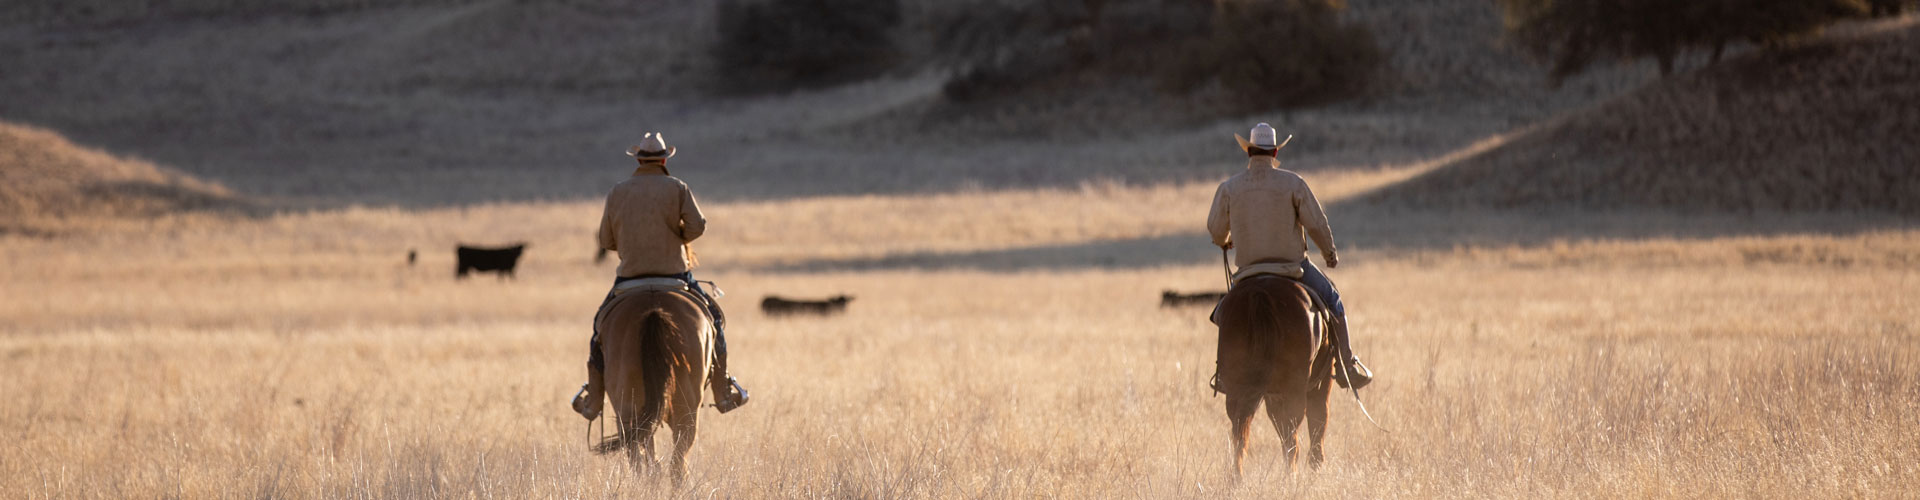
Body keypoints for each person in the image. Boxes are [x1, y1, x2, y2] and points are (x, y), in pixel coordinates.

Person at [572, 132, 748, 420]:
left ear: (639, 159)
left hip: (630, 279)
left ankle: (593, 398)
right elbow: (698, 226)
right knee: (715, 321)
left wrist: (629, 243)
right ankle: (723, 389)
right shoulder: (678, 187)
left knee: (599, 329)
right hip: (674, 276)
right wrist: (677, 236)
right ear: (665, 159)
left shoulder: (618, 191)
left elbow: (605, 239)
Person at [1206, 123, 1373, 389]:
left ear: (1249, 152)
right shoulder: (1293, 183)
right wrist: (1329, 254)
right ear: (1274, 153)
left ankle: (1224, 373)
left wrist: (1224, 242)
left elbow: (1215, 229)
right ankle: (1347, 365)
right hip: (1293, 270)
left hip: (1248, 272)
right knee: (1333, 299)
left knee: (1223, 313)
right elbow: (1316, 224)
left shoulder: (1230, 187)